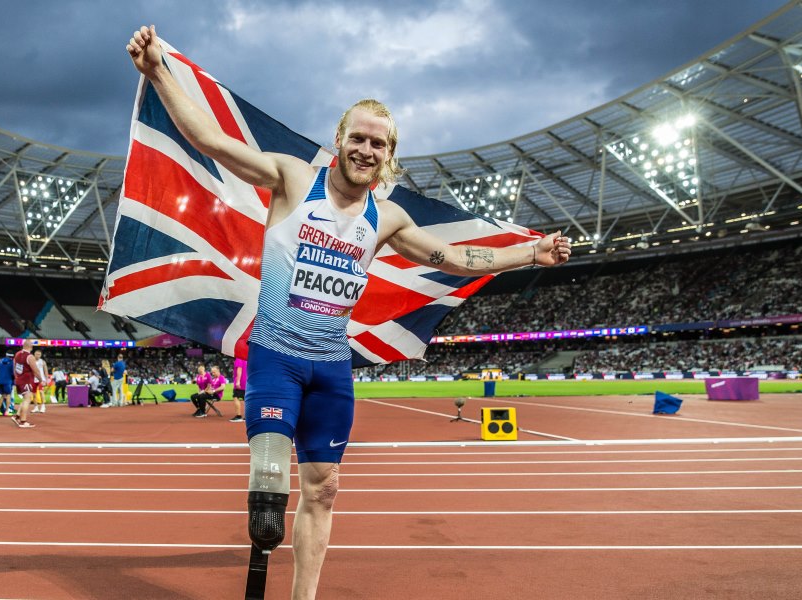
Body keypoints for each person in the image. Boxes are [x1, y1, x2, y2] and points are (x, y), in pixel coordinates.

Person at [127, 25, 572, 599]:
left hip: (331, 367)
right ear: (339, 139)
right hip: (276, 356)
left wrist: (529, 252)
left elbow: (458, 257)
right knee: (270, 478)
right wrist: (159, 69)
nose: (366, 150)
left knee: (324, 489)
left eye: (379, 144)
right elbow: (212, 141)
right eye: (358, 138)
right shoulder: (292, 178)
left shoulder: (385, 220)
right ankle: (263, 515)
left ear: (389, 156)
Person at [11, 339, 43, 428]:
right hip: (26, 380)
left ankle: (17, 416)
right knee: (27, 399)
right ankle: (23, 421)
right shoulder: (30, 357)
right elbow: (36, 370)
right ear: (31, 347)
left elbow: (14, 368)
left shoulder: (17, 354)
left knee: (25, 398)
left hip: (19, 379)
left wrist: (16, 377)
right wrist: (41, 380)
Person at [0, 351, 15, 416]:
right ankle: (7, 411)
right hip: (7, 381)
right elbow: (13, 373)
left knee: (2, 395)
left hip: (0, 381)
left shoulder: (0, 361)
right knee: (8, 395)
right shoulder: (12, 362)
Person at [31, 348, 49, 414]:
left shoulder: (42, 362)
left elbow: (46, 371)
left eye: (39, 354)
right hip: (33, 379)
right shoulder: (31, 361)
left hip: (41, 379)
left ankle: (43, 406)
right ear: (34, 354)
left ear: (41, 355)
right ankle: (36, 407)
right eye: (36, 354)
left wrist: (46, 380)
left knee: (41, 392)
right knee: (34, 394)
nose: (38, 355)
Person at [231, 357, 248, 423]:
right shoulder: (246, 359)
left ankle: (238, 416)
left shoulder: (239, 359)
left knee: (236, 397)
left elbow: (239, 369)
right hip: (246, 382)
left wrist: (238, 381)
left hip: (240, 382)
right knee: (246, 399)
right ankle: (247, 416)